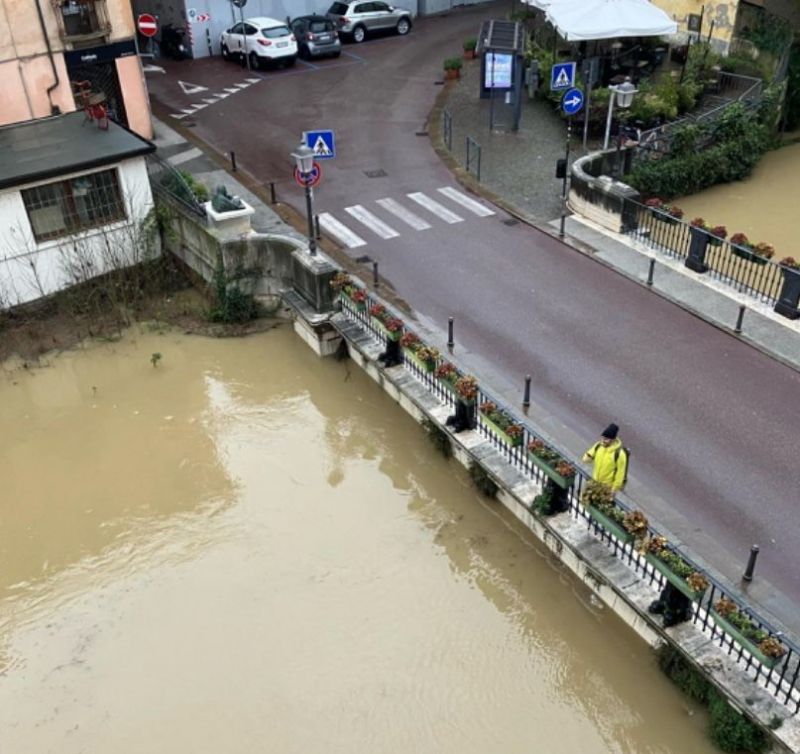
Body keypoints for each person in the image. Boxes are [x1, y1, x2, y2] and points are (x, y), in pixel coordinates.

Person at [582, 423, 628, 492]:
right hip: (595, 482)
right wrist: (587, 457)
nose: (603, 441)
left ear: (613, 440)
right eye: (602, 438)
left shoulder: (619, 454)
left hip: (606, 488)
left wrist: (613, 490)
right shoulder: (599, 445)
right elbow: (589, 455)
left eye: (606, 439)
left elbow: (620, 474)